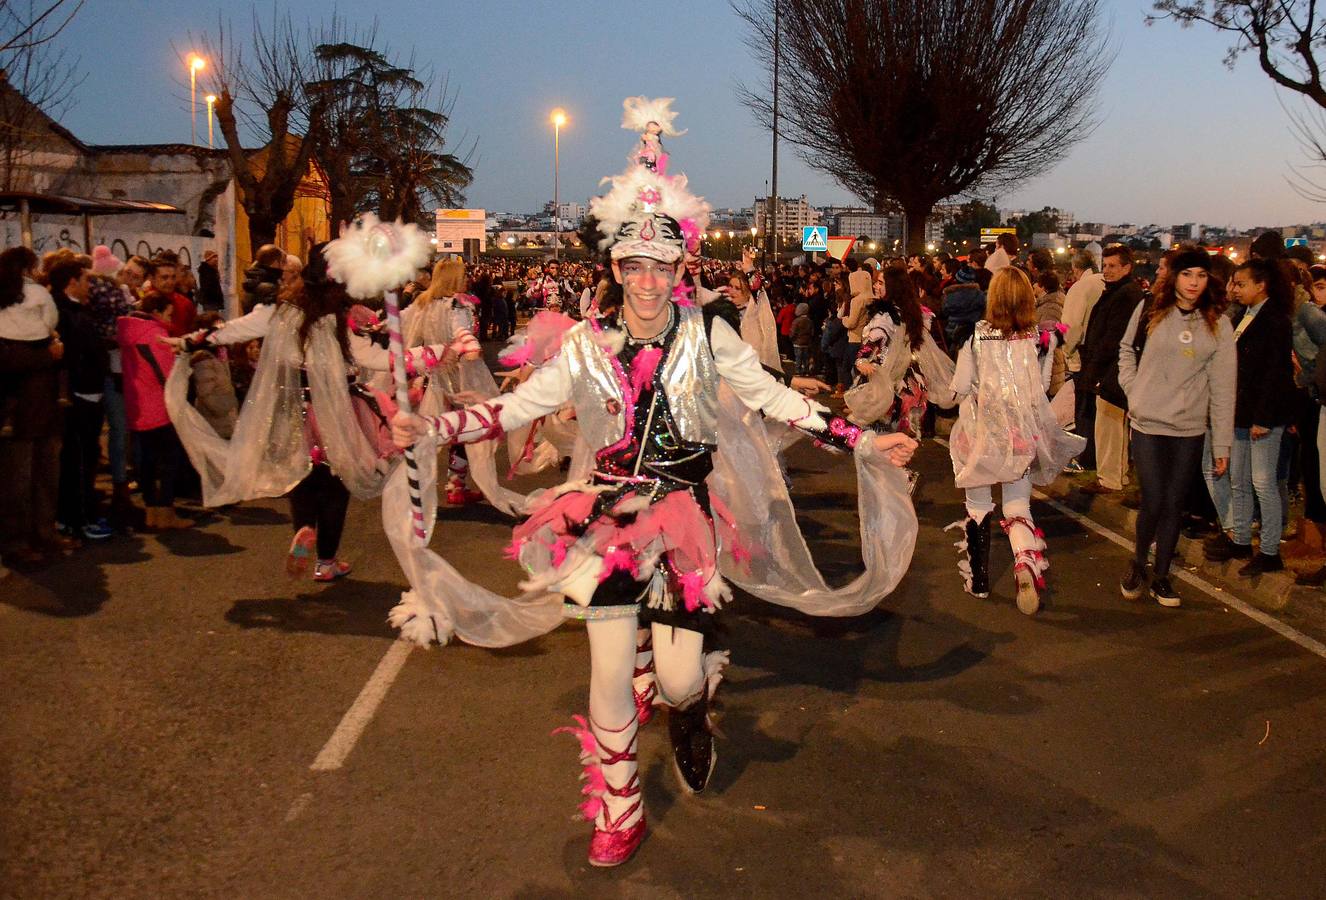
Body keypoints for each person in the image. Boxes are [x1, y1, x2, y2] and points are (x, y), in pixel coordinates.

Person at [389, 105, 918, 868]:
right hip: (605, 517)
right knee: (606, 665)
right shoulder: (584, 345)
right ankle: (619, 809)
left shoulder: (709, 335)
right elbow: (514, 406)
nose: (645, 280)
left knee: (674, 679)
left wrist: (865, 439)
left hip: (686, 517)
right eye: (631, 266)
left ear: (680, 272)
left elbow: (779, 401)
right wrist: (431, 430)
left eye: (659, 267)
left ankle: (691, 702)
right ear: (614, 271)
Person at [172, 239, 455, 581]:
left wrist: (191, 340)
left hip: (292, 406)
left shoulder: (283, 310)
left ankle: (304, 528)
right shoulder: (343, 317)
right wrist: (435, 353)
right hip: (337, 408)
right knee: (336, 482)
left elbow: (234, 329)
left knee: (300, 474)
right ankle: (326, 561)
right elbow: (377, 359)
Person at [947, 267, 1084, 615]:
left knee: (978, 507)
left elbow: (960, 387)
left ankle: (978, 582)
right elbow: (1039, 386)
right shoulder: (1042, 339)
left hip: (979, 434)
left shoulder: (974, 336)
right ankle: (1025, 560)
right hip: (1020, 434)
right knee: (1017, 507)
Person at [1117, 249, 1235, 607]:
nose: (1194, 282)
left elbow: (1224, 386)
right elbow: (1126, 350)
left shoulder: (1219, 323)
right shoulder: (1151, 309)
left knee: (1174, 503)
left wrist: (1222, 445)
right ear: (1175, 277)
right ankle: (1138, 562)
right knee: (1153, 499)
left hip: (1189, 427)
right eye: (1187, 274)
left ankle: (1162, 575)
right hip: (1148, 421)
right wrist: (1133, 390)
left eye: (1201, 275)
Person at [1204, 258, 1296, 574]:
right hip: (1239, 413)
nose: (1235, 289)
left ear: (1262, 285)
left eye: (1241, 284)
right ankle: (1240, 539)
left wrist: (1263, 418)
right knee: (1238, 478)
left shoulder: (1275, 320)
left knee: (1263, 481)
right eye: (1234, 283)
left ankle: (1270, 550)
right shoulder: (1243, 316)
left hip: (1262, 417)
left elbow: (1275, 374)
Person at [0, 247, 66, 563]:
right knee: (18, 483)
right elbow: (7, 361)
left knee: (43, 478)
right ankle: (17, 543)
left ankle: (44, 533)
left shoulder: (36, 316)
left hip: (41, 412)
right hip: (18, 417)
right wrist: (45, 355)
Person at [50, 256, 113, 542]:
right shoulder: (62, 314)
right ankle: (79, 518)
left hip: (87, 392)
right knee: (78, 460)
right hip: (78, 396)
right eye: (86, 280)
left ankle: (73, 515)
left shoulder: (76, 310)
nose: (91, 286)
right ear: (72, 282)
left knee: (84, 458)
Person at [117, 291, 192, 530]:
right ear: (157, 312)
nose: (172, 318)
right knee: (168, 461)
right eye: (169, 313)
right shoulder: (155, 335)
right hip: (159, 405)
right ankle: (166, 513)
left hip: (138, 405)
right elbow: (166, 375)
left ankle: (151, 513)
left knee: (147, 462)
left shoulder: (129, 330)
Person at [1079, 245, 1145, 494]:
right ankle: (1116, 475)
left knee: (1110, 426)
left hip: (1113, 371)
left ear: (1127, 267)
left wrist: (1095, 371)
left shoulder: (1126, 295)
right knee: (1111, 425)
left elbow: (1113, 338)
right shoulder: (1120, 292)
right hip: (1109, 369)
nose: (1106, 271)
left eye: (1113, 266)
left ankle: (1110, 478)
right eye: (1104, 265)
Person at [1062, 250, 1105, 467]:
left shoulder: (1080, 288)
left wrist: (1066, 350)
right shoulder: (1104, 283)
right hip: (1104, 354)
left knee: (1084, 410)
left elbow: (1070, 325)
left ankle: (1085, 457)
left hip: (1083, 355)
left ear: (1076, 269)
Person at [148, 253, 197, 337]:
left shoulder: (185, 303)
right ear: (151, 278)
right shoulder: (143, 303)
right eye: (164, 277)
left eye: (173, 277)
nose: (170, 282)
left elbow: (194, 333)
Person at [941, 262, 985, 355]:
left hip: (953, 332)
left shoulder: (950, 295)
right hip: (973, 331)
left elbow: (944, 311)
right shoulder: (979, 294)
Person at [791, 301, 812, 375]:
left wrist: (792, 338)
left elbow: (792, 332)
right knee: (806, 358)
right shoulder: (809, 321)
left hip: (797, 343)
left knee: (798, 358)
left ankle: (798, 371)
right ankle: (806, 371)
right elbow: (812, 332)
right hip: (806, 343)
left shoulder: (796, 321)